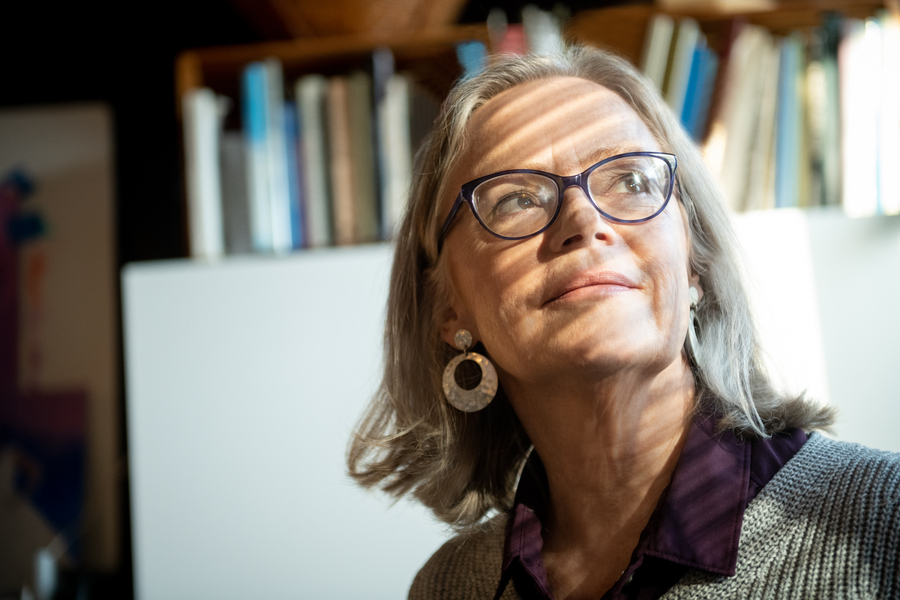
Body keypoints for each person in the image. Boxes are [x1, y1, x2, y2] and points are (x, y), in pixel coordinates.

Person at [347, 46, 900, 599]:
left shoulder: (883, 523)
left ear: (693, 263)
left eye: (631, 181)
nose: (585, 221)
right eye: (516, 198)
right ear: (449, 308)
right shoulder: (447, 588)